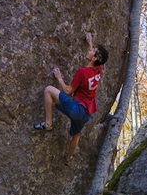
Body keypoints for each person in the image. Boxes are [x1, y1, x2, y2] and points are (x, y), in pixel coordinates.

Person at [34, 33, 108, 165]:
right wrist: (90, 43)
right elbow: (96, 59)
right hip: (86, 114)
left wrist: (59, 78)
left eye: (92, 50)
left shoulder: (82, 72)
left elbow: (67, 91)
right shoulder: (99, 70)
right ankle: (68, 159)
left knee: (48, 90)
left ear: (95, 58)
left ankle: (48, 124)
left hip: (76, 109)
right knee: (76, 135)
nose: (89, 50)